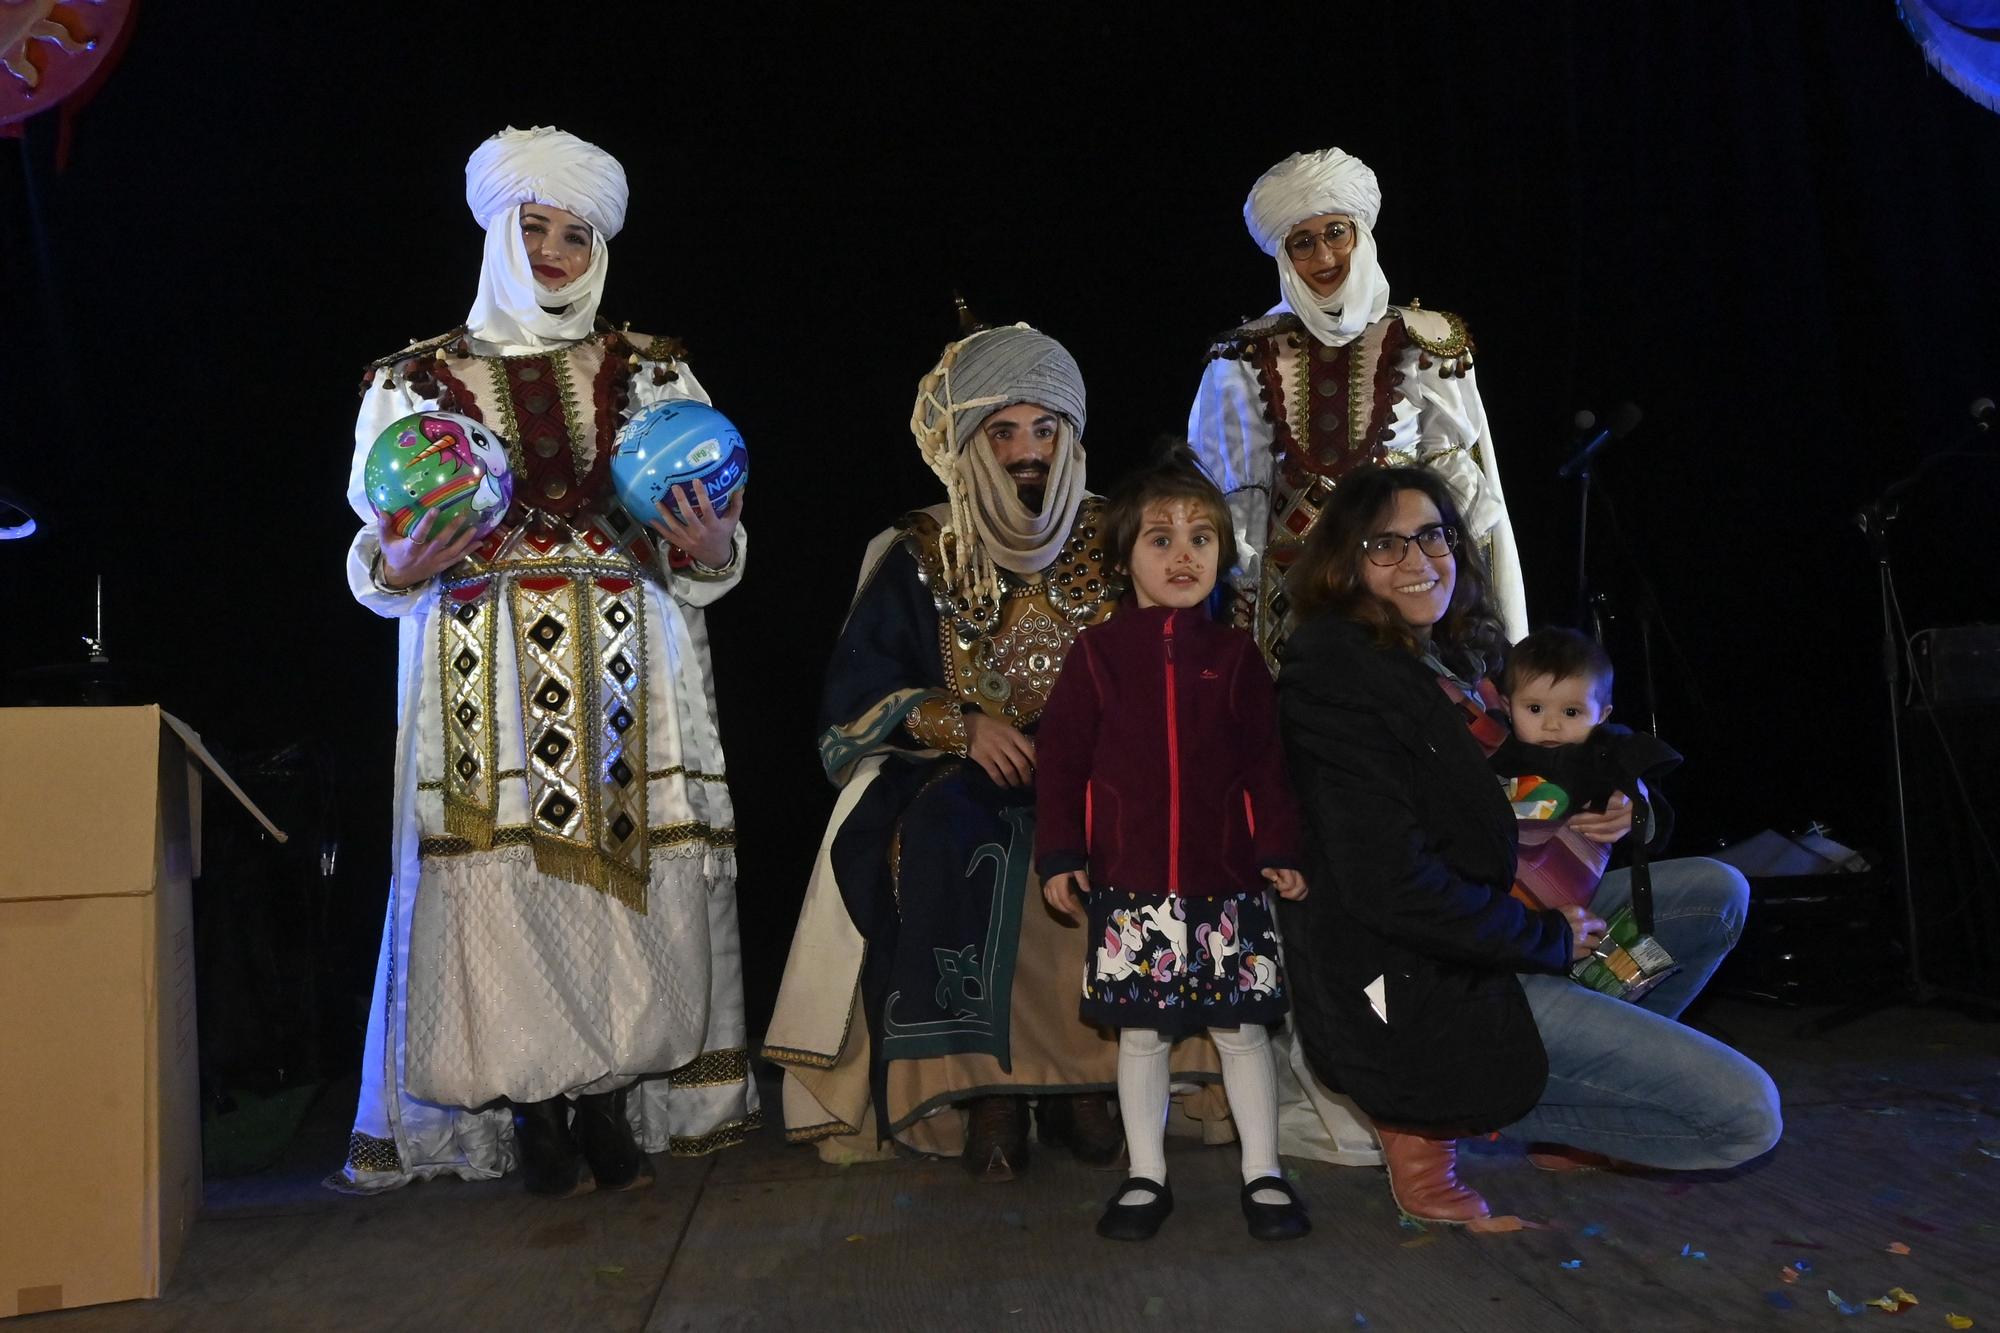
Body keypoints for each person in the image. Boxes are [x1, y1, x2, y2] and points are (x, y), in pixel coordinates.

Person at [333, 126, 757, 1197]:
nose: (558, 250)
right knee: (501, 875)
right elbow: (378, 546)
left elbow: (704, 518)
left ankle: (611, 1096)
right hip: (478, 673)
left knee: (626, 877)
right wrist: (392, 561)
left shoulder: (653, 368)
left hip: (627, 666)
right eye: (537, 228)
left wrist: (714, 550)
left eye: (577, 233)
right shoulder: (414, 380)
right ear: (496, 230)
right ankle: (529, 1106)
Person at [762, 325, 1227, 1180]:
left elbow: (1183, 638)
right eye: (1003, 432)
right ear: (968, 441)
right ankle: (989, 1093)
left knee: (1126, 830)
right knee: (948, 834)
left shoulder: (1119, 532)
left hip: (1102, 770)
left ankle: (1093, 1082)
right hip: (963, 773)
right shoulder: (918, 548)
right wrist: (962, 725)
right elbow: (852, 703)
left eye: (1044, 430)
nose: (1026, 452)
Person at [1275, 465, 1781, 1225]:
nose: (1420, 559)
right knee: (1745, 1117)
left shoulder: (1463, 660)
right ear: (1345, 563)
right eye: (1387, 543)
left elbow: (1574, 755)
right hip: (1428, 971)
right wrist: (1543, 939)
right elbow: (1389, 885)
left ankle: (1566, 1085)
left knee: (1715, 894)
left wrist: (1629, 808)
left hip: (1512, 912)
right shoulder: (1337, 678)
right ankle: (1443, 1114)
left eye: (1433, 534)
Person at [1035, 447, 1311, 1242]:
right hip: (1132, 883)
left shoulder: (1236, 657)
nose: (1181, 554)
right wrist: (1061, 854)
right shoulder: (1096, 656)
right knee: (1142, 1032)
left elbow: (1267, 763)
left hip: (1225, 882)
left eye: (1200, 538)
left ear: (1223, 555)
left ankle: (1264, 1173)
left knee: (1241, 1028)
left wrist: (1279, 848)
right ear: (1125, 558)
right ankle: (1144, 1175)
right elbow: (1061, 761)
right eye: (1160, 538)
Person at [1188, 146, 1528, 663]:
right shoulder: (1242, 352)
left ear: (1361, 235)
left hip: (1405, 587)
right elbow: (1231, 496)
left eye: (1335, 234)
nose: (1324, 257)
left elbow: (1468, 500)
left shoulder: (1426, 339)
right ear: (1284, 255)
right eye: (1303, 243)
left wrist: (1484, 617)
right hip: (1291, 598)